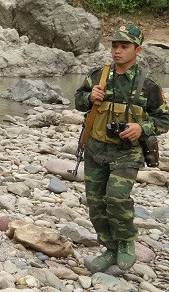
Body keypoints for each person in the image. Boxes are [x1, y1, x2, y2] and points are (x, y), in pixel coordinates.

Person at [75, 24, 169, 272]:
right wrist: (89, 98)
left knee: (116, 199)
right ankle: (110, 248)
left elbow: (164, 119)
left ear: (138, 50)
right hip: (96, 149)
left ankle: (126, 243)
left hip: (127, 153)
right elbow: (78, 101)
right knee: (95, 203)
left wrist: (142, 129)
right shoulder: (98, 76)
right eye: (114, 45)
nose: (117, 51)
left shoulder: (147, 85)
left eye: (124, 46)